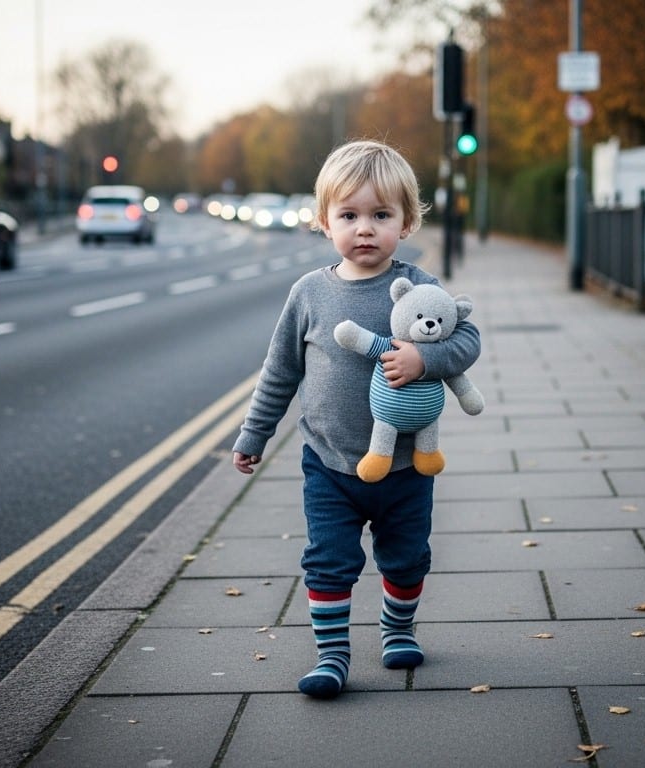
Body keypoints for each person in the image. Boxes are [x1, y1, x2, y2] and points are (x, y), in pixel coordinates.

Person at [231, 139, 481, 699]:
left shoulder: (421, 289)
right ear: (324, 221)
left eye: (381, 215)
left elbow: (468, 341)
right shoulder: (310, 294)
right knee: (328, 561)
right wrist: (254, 434)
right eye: (349, 215)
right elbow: (279, 371)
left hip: (405, 467)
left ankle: (397, 629)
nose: (364, 229)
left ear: (407, 222)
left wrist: (425, 360)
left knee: (407, 558)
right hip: (329, 464)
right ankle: (332, 656)